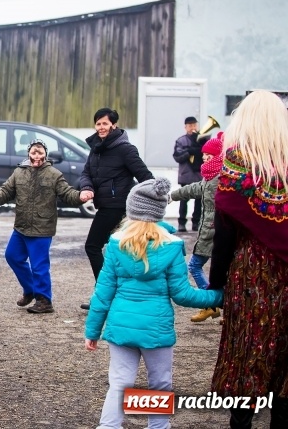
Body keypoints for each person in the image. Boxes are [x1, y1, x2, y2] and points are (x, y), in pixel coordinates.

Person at [84, 177, 223, 429]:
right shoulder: (171, 247)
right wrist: (219, 296)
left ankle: (109, 426)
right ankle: (157, 427)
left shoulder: (116, 244)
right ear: (159, 211)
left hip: (120, 326)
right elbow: (183, 294)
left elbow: (102, 293)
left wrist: (92, 331)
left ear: (131, 210)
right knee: (159, 383)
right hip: (156, 330)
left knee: (120, 382)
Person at [209, 90, 288, 429]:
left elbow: (224, 231)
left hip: (251, 271)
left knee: (246, 351)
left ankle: (241, 421)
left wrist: (216, 282)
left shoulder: (237, 164)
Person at [0, 139, 85, 314]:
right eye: (33, 152)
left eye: (40, 152)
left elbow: (67, 193)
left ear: (45, 154)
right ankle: (30, 290)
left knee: (39, 266)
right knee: (12, 256)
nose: (36, 156)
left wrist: (80, 197)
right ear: (28, 154)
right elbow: (5, 191)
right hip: (21, 226)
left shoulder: (54, 174)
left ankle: (45, 301)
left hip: (42, 228)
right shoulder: (19, 172)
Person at [78, 108, 153, 310]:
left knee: (92, 246)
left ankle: (104, 294)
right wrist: (86, 188)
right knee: (118, 252)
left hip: (117, 207)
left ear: (114, 125)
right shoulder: (96, 148)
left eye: (104, 123)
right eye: (98, 123)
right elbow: (86, 173)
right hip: (104, 205)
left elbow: (146, 177)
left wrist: (144, 201)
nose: (101, 127)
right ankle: (116, 295)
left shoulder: (125, 149)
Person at [170, 132, 223, 323]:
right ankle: (217, 305)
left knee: (194, 265)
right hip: (210, 230)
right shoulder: (210, 176)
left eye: (210, 154)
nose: (206, 157)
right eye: (205, 154)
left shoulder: (218, 178)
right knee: (219, 271)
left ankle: (211, 304)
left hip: (213, 231)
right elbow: (193, 189)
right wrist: (172, 196)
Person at [172, 116, 202, 232]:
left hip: (199, 174)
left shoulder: (201, 138)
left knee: (199, 200)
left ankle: (196, 223)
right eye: (190, 126)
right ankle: (182, 223)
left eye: (194, 125)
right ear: (185, 127)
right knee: (184, 199)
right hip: (186, 174)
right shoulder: (181, 140)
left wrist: (198, 144)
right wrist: (189, 152)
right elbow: (177, 157)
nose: (192, 128)